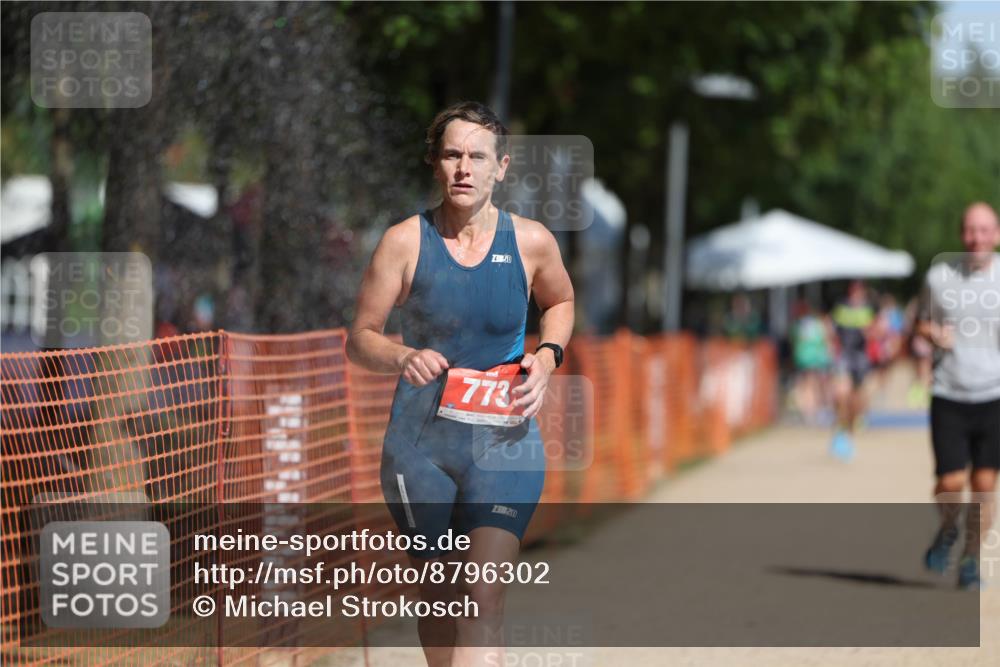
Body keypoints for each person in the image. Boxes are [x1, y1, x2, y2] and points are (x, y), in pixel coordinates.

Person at [346, 101, 574, 666]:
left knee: (481, 595)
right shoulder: (404, 242)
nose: (464, 168)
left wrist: (546, 357)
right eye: (452, 154)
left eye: (477, 156)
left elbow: (562, 301)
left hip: (504, 444)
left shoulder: (531, 242)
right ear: (435, 162)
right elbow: (361, 337)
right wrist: (401, 357)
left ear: (502, 167)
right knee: (442, 598)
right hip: (419, 450)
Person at [918, 201, 1000, 591]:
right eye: (970, 230)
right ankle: (947, 529)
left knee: (984, 485)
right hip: (950, 393)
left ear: (997, 235)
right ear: (960, 234)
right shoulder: (938, 277)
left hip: (995, 396)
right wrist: (931, 333)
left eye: (985, 230)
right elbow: (921, 321)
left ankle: (970, 559)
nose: (977, 238)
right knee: (951, 482)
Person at [829, 280, 876, 460]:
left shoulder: (868, 308)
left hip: (861, 357)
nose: (856, 292)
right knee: (842, 393)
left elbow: (877, 330)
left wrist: (870, 332)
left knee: (857, 396)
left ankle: (851, 424)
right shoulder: (841, 306)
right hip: (844, 355)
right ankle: (841, 429)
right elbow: (831, 327)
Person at [790, 300, 835, 425]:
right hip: (815, 359)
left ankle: (811, 412)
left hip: (807, 359)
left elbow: (796, 341)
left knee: (809, 386)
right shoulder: (816, 323)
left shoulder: (799, 324)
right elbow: (825, 339)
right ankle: (814, 412)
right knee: (814, 386)